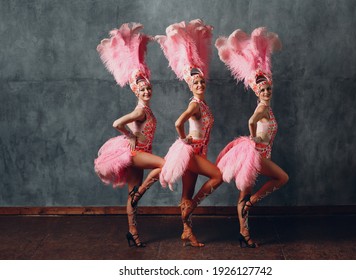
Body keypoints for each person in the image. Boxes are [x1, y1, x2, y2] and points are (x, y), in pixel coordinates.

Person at [215, 27, 289, 248]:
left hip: (257, 153)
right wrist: (253, 137)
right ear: (257, 92)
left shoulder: (265, 105)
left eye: (268, 89)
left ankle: (243, 233)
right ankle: (252, 204)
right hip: (257, 154)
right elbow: (252, 121)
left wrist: (256, 137)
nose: (267, 92)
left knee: (243, 194)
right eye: (263, 90)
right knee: (281, 178)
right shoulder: (262, 108)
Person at [94, 23, 164, 248]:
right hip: (136, 153)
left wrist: (132, 136)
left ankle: (132, 232)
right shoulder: (140, 110)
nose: (146, 91)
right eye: (142, 90)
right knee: (165, 165)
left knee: (131, 192)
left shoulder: (146, 108)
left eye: (148, 89)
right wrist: (130, 137)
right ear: (136, 91)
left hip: (140, 152)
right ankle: (139, 195)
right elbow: (117, 123)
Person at [156, 19, 223, 247]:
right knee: (218, 176)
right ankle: (193, 207)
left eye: (202, 82)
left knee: (186, 193)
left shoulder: (203, 105)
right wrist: (184, 139)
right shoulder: (194, 105)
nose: (200, 85)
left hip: (199, 151)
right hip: (192, 151)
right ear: (191, 86)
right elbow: (178, 122)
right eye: (196, 83)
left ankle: (187, 232)